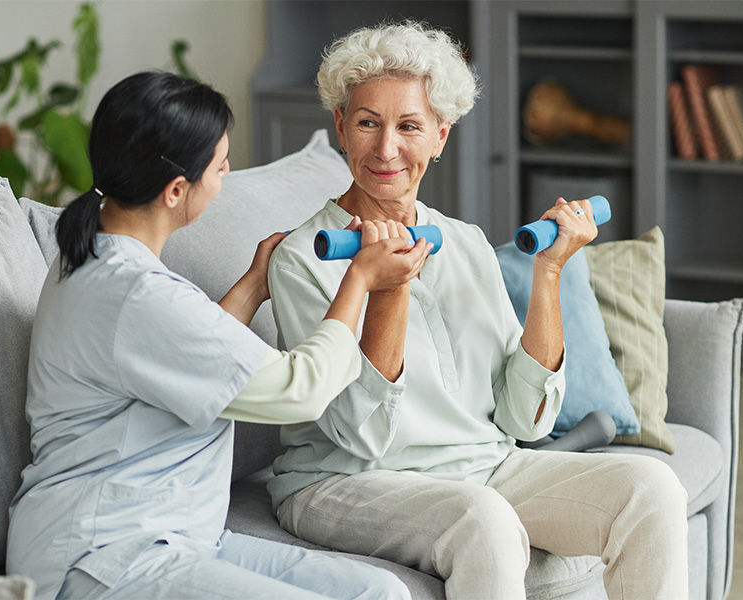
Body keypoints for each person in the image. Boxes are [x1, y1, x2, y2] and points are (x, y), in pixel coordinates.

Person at [267, 22, 689, 600]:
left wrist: (549, 273)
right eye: (367, 122)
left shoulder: (463, 242)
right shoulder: (300, 260)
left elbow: (524, 420)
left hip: (480, 464)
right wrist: (389, 289)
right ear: (341, 126)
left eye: (409, 126)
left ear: (441, 136)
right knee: (483, 519)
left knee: (652, 489)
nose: (386, 148)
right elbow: (361, 436)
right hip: (344, 480)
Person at [6, 71, 429, 600]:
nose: (227, 177)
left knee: (381, 593)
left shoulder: (96, 256)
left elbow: (189, 354)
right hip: (104, 557)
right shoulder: (133, 292)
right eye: (221, 166)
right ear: (177, 190)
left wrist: (253, 286)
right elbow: (300, 389)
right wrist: (361, 280)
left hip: (179, 534)